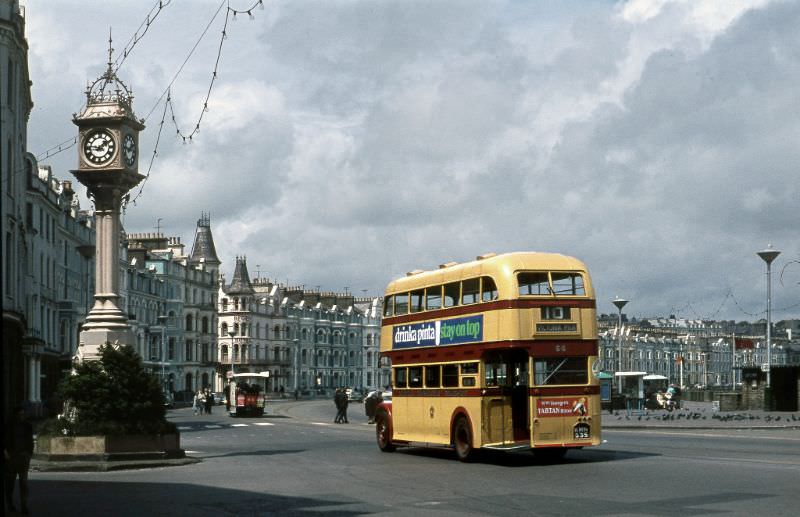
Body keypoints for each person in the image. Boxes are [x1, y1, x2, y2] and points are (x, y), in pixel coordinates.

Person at [4, 406, 33, 514]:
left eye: (23, 414)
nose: (21, 416)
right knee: (9, 483)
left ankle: (24, 506)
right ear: (15, 415)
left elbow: (30, 441)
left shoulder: (27, 426)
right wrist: (5, 452)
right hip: (11, 457)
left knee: (24, 483)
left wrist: (29, 454)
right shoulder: (8, 425)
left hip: (23, 457)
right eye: (19, 414)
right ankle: (10, 504)